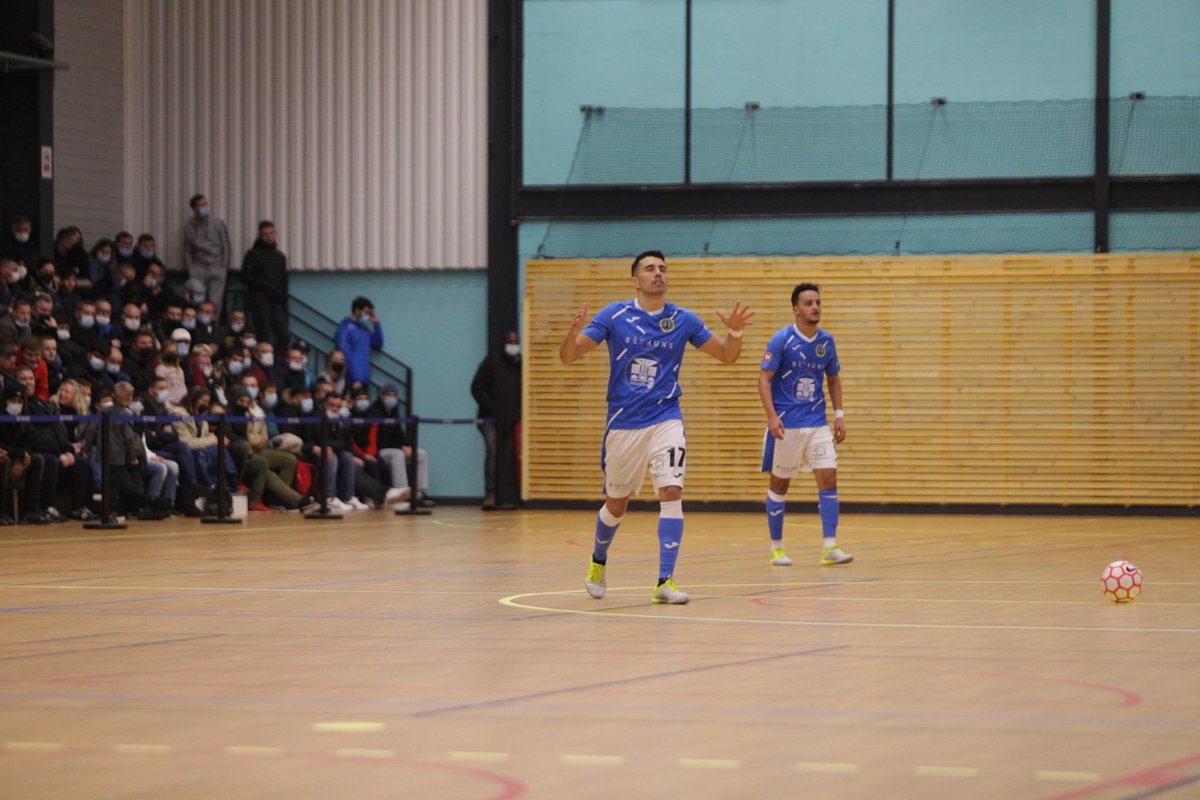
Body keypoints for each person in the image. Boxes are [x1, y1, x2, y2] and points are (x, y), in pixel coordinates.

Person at [560, 250, 753, 605]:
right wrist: (571, 335)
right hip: (624, 424)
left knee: (671, 491)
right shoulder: (614, 315)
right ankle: (598, 561)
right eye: (650, 269)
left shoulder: (684, 319)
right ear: (635, 280)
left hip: (666, 418)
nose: (658, 273)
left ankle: (665, 581)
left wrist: (736, 332)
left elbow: (726, 355)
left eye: (663, 269)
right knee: (616, 504)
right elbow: (570, 356)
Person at [758, 282, 852, 567]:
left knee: (829, 477)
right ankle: (776, 547)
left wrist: (839, 414)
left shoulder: (826, 342)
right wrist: (772, 417)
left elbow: (833, 378)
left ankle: (829, 546)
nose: (815, 307)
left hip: (817, 423)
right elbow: (764, 379)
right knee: (780, 484)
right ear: (796, 309)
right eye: (809, 303)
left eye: (818, 302)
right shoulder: (781, 340)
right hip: (787, 425)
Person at [471, 330, 522, 510]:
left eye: (516, 342)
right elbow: (477, 388)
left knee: (507, 456)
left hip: (510, 421)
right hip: (489, 419)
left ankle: (505, 495)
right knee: (493, 451)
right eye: (510, 341)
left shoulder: (519, 364)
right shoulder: (491, 362)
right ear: (504, 343)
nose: (513, 345)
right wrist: (493, 408)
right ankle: (490, 494)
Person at [241, 220, 290, 351]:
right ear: (260, 235)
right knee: (263, 334)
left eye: (271, 233)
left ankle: (279, 359)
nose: (269, 236)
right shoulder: (252, 254)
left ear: (275, 234)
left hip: (276, 301)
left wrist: (283, 299)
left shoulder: (280, 256)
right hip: (260, 299)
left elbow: (284, 280)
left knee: (284, 335)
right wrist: (265, 285)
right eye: (265, 234)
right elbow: (245, 276)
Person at [183, 194, 232, 315]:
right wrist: (191, 269)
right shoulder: (190, 226)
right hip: (199, 267)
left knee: (215, 303)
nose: (204, 207)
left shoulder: (218, 223)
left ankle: (213, 329)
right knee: (197, 300)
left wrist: (223, 267)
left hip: (216, 266)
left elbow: (225, 246)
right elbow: (188, 250)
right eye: (201, 205)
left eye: (205, 204)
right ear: (194, 209)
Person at [334, 297, 382, 386]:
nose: (368, 316)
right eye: (366, 312)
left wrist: (376, 323)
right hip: (352, 380)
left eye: (369, 313)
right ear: (357, 310)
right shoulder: (345, 328)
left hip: (364, 379)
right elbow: (343, 354)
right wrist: (356, 378)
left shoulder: (364, 329)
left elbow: (378, 343)